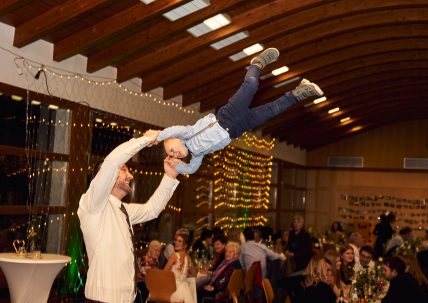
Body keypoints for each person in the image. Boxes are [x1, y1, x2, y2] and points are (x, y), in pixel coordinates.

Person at [156, 48, 324, 174]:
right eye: (173, 155)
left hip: (226, 117)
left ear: (177, 139)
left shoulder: (187, 134)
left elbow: (172, 130)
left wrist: (156, 137)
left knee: (251, 86)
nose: (175, 154)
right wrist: (177, 165)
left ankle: (256, 64)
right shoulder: (197, 154)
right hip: (236, 130)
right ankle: (299, 92)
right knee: (272, 110)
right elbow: (192, 169)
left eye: (172, 149)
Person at [77, 130, 180, 303]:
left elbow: (151, 210)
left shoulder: (122, 210)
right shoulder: (92, 205)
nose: (131, 176)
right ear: (105, 175)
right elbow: (111, 162)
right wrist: (145, 139)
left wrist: (169, 177)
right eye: (125, 170)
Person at [164, 230, 196, 303]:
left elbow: (164, 273)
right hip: (184, 290)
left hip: (172, 288)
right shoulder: (188, 258)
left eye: (179, 241)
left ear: (185, 245)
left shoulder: (174, 256)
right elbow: (194, 274)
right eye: (176, 240)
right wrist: (183, 276)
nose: (176, 243)